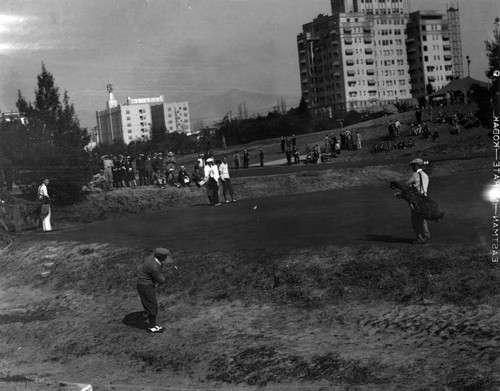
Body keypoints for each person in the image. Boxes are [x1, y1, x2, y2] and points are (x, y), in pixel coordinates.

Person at [137, 247, 174, 333]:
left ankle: (152, 322)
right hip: (146, 286)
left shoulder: (152, 258)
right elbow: (160, 280)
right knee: (152, 305)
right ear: (161, 257)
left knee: (150, 304)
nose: (167, 257)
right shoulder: (154, 266)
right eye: (166, 256)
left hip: (144, 285)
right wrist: (168, 276)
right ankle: (152, 327)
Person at [405, 158, 430, 244]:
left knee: (415, 221)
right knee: (422, 219)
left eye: (412, 165)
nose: (412, 167)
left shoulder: (415, 175)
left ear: (416, 165)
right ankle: (426, 236)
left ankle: (420, 238)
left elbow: (406, 184)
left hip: (416, 200)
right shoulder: (426, 175)